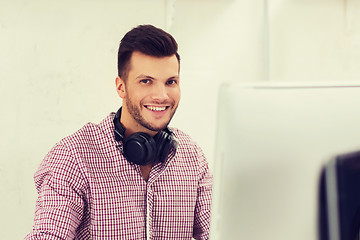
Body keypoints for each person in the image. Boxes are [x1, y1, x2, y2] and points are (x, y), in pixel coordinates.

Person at [25, 24, 213, 240]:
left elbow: (219, 232)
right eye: (146, 81)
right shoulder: (73, 157)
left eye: (170, 82)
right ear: (121, 87)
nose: (161, 95)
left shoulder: (192, 157)